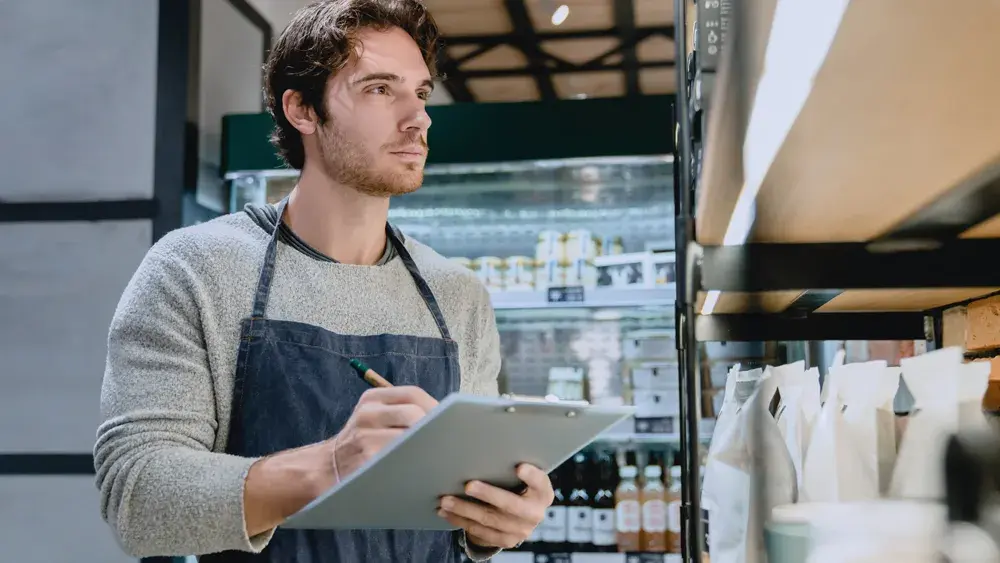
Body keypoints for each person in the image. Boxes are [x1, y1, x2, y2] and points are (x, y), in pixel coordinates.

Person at [93, 1, 554, 561]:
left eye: (422, 93)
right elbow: (137, 499)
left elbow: (463, 499)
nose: (419, 118)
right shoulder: (195, 267)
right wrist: (330, 465)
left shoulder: (458, 295)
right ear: (302, 109)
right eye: (381, 90)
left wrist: (493, 521)